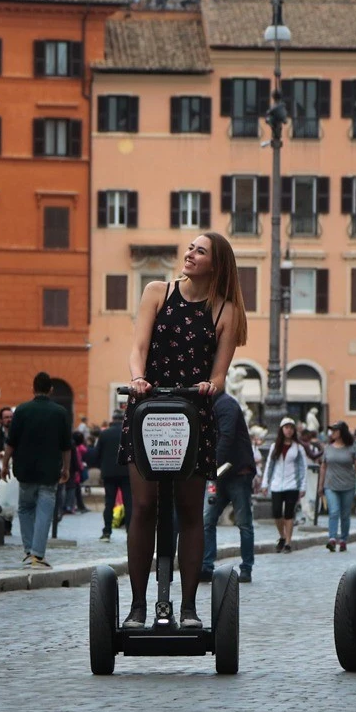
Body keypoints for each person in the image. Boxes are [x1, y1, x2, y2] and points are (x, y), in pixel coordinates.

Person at [117, 231, 246, 630]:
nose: (189, 254)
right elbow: (138, 348)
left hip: (193, 415)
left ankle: (188, 607)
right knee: (143, 507)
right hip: (148, 411)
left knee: (190, 512)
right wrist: (138, 378)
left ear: (216, 263)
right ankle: (138, 606)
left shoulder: (226, 310)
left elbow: (220, 374)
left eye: (200, 251)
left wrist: (211, 385)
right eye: (190, 248)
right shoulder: (158, 291)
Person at [6, 371, 72, 569]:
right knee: (44, 511)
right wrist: (66, 468)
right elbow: (66, 446)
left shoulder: (22, 411)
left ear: (32, 389)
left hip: (24, 469)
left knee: (25, 508)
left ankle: (28, 551)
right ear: (50, 389)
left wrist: (4, 465)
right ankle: (38, 554)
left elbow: (11, 442)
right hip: (49, 470)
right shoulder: (60, 412)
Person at [201, 389, 257, 582]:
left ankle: (246, 568)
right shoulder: (214, 405)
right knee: (207, 521)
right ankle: (206, 566)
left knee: (243, 523)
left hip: (237, 472)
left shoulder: (225, 404)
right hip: (221, 473)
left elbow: (226, 436)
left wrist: (210, 465)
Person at [262, 419, 307, 553]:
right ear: (282, 429)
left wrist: (302, 486)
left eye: (291, 428)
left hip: (292, 484)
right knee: (276, 512)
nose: (289, 430)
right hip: (276, 484)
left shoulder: (298, 448)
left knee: (289, 513)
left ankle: (288, 542)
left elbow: (303, 468)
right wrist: (265, 483)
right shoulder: (274, 446)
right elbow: (269, 466)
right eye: (286, 427)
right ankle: (282, 536)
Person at [90, 407, 128, 541]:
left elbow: (96, 454)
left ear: (112, 419)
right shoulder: (126, 432)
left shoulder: (104, 434)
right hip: (126, 472)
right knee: (129, 502)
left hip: (109, 473)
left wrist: (101, 466)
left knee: (109, 503)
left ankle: (107, 531)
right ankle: (130, 530)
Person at [322, 422, 356, 552]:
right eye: (331, 430)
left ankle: (343, 539)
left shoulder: (351, 447)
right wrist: (320, 485)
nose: (332, 432)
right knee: (333, 511)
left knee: (345, 514)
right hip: (331, 484)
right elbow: (323, 467)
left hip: (348, 485)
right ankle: (332, 538)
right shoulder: (328, 448)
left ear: (342, 431)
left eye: (335, 430)